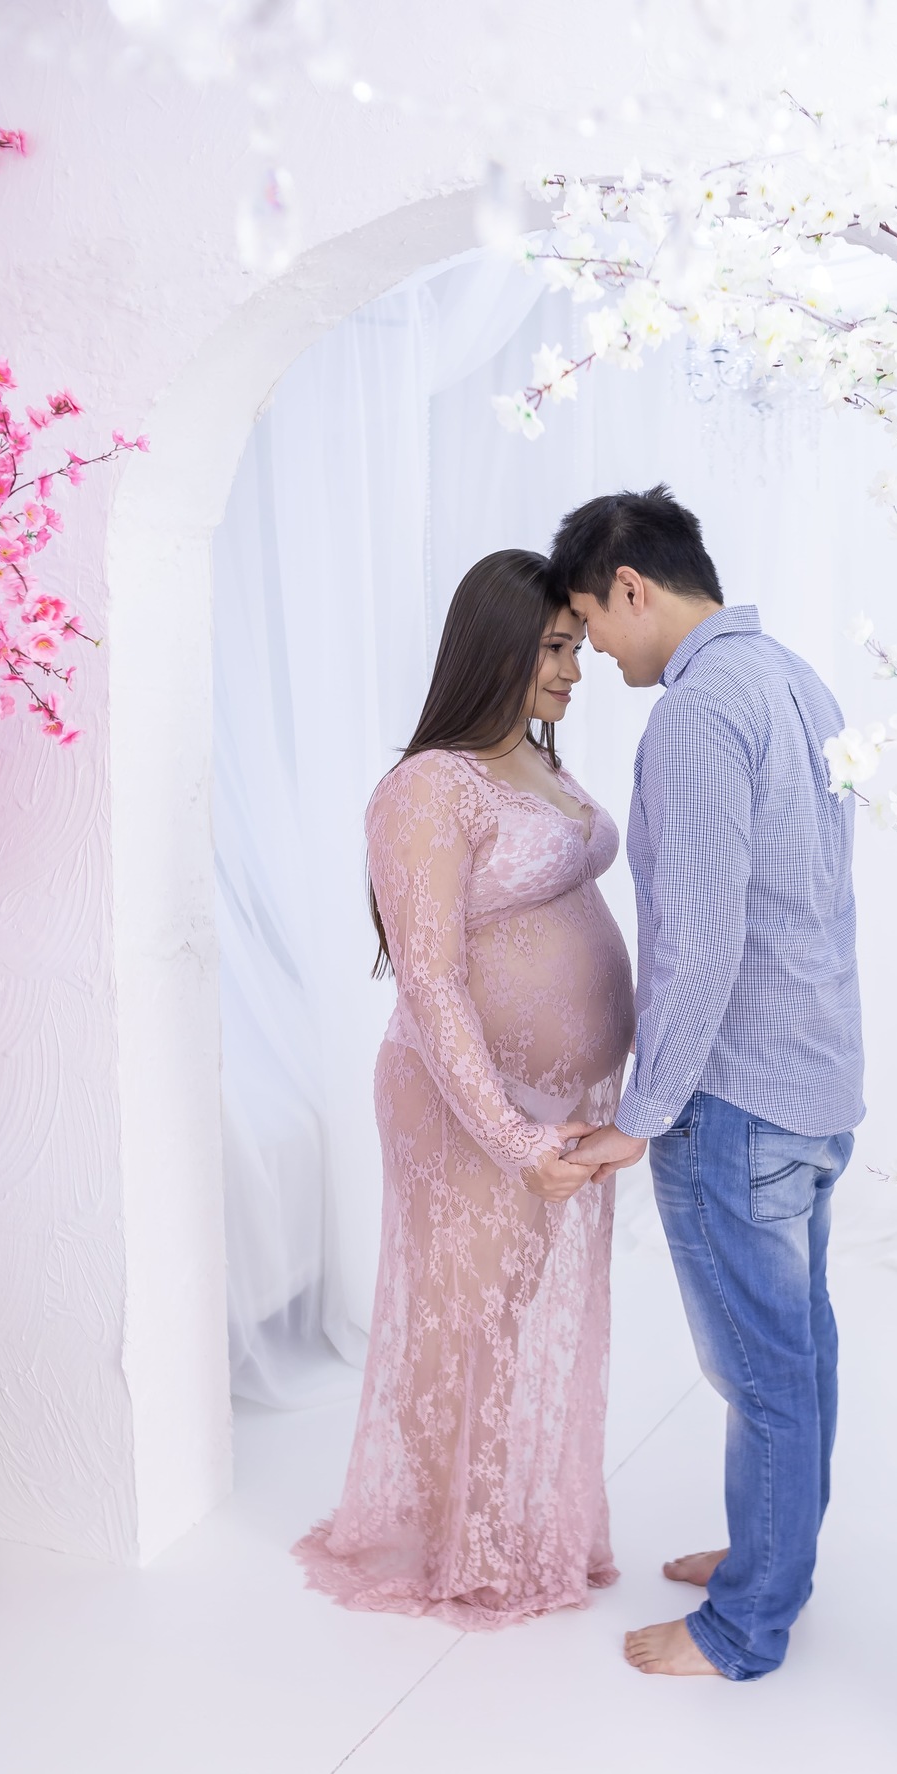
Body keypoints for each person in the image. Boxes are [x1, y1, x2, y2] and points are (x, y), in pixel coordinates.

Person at [551, 486, 864, 1681]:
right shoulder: (793, 679)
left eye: (589, 622)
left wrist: (641, 1116)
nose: (593, 651)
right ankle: (767, 1562)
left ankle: (745, 1628)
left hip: (735, 1100)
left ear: (632, 587)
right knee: (800, 1354)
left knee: (762, 1373)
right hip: (817, 1082)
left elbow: (698, 941)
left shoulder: (695, 717)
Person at [294, 549, 635, 1628]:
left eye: (577, 645)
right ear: (495, 648)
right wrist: (514, 1138)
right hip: (468, 1106)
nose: (574, 668)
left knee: (539, 1306)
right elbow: (429, 979)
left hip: (571, 1103)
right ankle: (468, 1545)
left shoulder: (540, 761)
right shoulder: (429, 786)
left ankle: (525, 1516)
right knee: (471, 1316)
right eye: (552, 648)